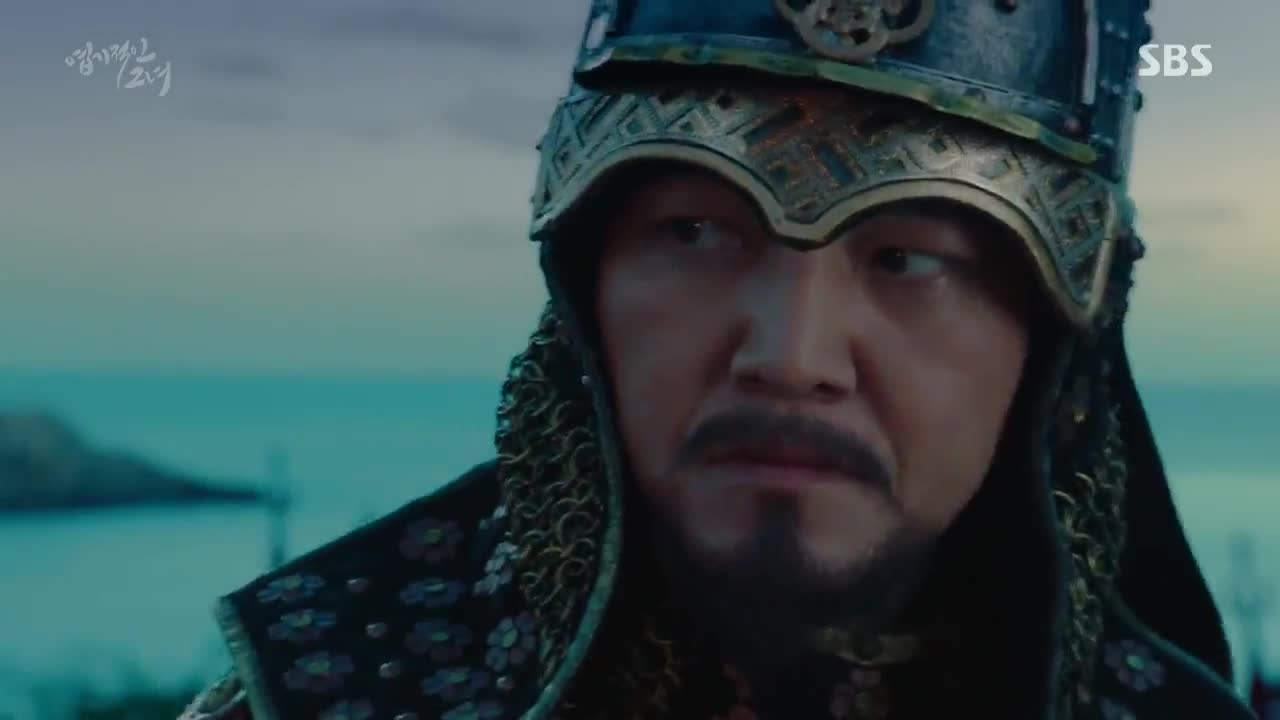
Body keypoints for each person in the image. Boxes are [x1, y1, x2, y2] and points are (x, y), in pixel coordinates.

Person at [179, 1, 1256, 718]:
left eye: (909, 259)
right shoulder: (333, 690)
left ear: (1054, 338)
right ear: (586, 289)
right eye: (695, 232)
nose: (789, 358)